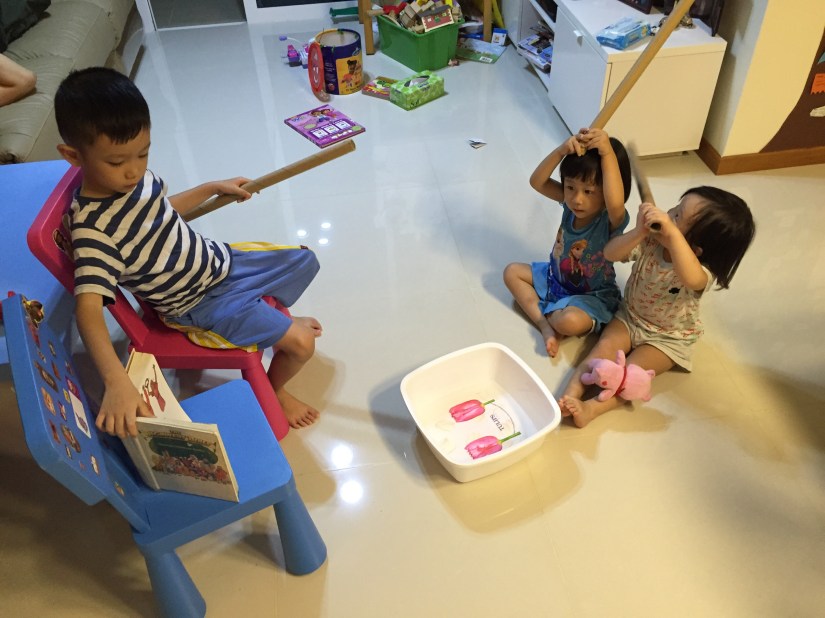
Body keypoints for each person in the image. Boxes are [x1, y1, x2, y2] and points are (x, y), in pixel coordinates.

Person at [53, 67, 322, 438]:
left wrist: (212, 187)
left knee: (306, 259)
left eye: (142, 154)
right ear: (73, 155)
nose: (133, 171)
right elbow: (88, 311)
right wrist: (115, 380)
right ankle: (276, 389)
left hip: (219, 262)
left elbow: (162, 208)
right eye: (116, 162)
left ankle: (271, 321)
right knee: (303, 345)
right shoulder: (94, 230)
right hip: (198, 303)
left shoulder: (134, 180)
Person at [559, 186, 756, 427]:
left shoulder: (700, 272)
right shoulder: (651, 241)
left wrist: (671, 236)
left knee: (632, 375)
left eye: (677, 217)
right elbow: (610, 253)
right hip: (629, 317)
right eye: (675, 208)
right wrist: (638, 232)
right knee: (602, 350)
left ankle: (591, 409)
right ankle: (568, 397)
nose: (667, 214)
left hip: (668, 338)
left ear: (696, 249)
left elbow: (691, 278)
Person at [503, 128, 632, 357]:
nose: (577, 199)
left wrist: (607, 154)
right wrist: (561, 151)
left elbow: (615, 203)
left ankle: (554, 319)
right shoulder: (568, 203)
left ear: (606, 193)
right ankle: (545, 325)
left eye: (589, 191)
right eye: (570, 187)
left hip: (591, 296)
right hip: (554, 279)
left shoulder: (610, 219)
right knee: (511, 272)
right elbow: (537, 182)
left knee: (569, 322)